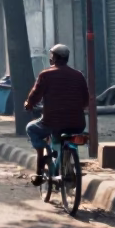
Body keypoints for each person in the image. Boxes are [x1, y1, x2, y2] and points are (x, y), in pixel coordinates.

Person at [23, 44, 90, 186]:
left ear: (54, 58)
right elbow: (85, 100)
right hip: (77, 123)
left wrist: (28, 105)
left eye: (51, 56)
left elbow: (34, 96)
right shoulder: (78, 75)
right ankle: (69, 163)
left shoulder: (46, 75)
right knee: (72, 136)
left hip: (52, 122)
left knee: (31, 128)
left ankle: (40, 168)